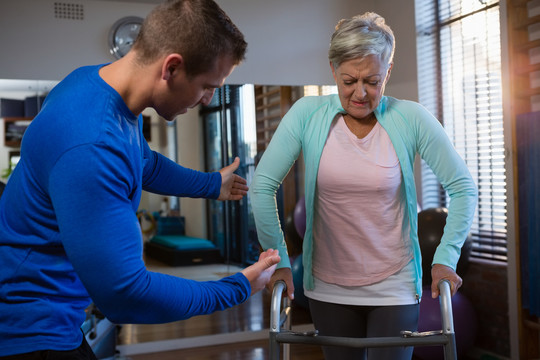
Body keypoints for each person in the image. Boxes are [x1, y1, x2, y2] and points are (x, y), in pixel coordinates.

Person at [0, 0, 281, 359]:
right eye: (208, 86)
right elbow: (127, 294)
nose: (208, 98)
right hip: (28, 329)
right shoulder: (92, 145)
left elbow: (144, 161)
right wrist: (238, 287)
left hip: (51, 315)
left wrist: (211, 184)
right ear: (172, 68)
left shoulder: (92, 83)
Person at [250, 12, 477, 360]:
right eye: (349, 80)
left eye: (372, 80)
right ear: (332, 69)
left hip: (395, 284)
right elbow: (262, 186)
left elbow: (462, 187)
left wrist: (446, 257)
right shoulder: (306, 114)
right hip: (327, 284)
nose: (360, 93)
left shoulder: (411, 117)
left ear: (387, 70)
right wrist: (278, 259)